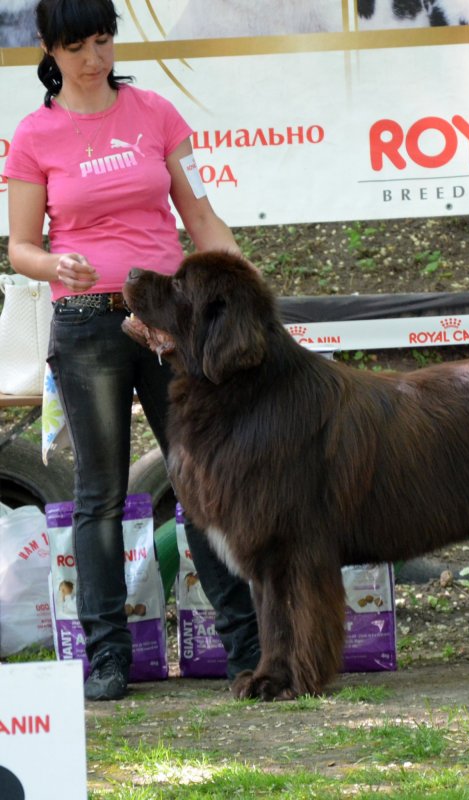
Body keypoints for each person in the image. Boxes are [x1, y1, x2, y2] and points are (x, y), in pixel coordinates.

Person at [3, 0, 261, 700]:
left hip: (174, 321)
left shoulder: (154, 113)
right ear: (49, 50)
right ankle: (108, 657)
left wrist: (248, 288)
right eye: (78, 46)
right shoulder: (34, 135)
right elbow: (22, 246)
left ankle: (248, 649)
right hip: (86, 323)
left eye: (104, 41)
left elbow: (199, 213)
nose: (95, 59)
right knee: (101, 496)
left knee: (200, 480)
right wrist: (56, 266)